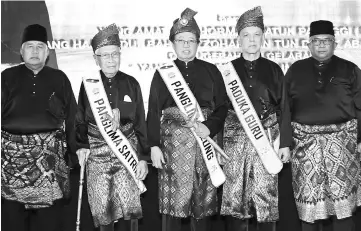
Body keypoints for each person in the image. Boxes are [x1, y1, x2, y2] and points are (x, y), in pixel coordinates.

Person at [147, 8, 229, 231]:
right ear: (172, 43)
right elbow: (153, 112)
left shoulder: (212, 71)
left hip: (204, 145)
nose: (186, 45)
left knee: (202, 205)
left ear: (198, 43)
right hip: (172, 149)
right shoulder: (163, 73)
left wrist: (208, 127)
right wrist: (153, 145)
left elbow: (223, 108)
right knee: (173, 207)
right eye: (180, 40)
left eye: (191, 40)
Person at [219, 6, 293, 231]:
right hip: (233, 143)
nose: (251, 40)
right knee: (235, 199)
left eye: (256, 35)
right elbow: (218, 111)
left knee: (265, 200)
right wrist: (218, 146)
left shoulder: (274, 70)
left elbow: (284, 109)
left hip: (266, 142)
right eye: (246, 35)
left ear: (263, 37)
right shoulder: (226, 71)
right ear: (238, 39)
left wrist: (286, 144)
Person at [285, 20, 361, 231]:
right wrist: (284, 143)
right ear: (308, 44)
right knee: (308, 208)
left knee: (343, 208)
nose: (321, 45)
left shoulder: (350, 69)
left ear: (334, 44)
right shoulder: (295, 70)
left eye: (326, 41)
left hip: (342, 147)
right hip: (304, 147)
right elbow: (285, 110)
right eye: (316, 41)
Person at [1, 24, 77, 231]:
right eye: (30, 46)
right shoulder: (6, 78)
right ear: (21, 51)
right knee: (12, 221)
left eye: (40, 46)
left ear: (48, 53)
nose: (35, 51)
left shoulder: (59, 78)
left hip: (48, 164)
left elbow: (72, 118)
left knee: (48, 223)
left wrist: (77, 149)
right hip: (11, 164)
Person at [75, 24, 149, 231]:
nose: (110, 59)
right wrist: (81, 145)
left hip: (126, 151)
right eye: (105, 55)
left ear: (120, 55)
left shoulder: (131, 83)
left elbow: (140, 122)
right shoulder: (88, 85)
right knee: (103, 212)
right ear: (95, 59)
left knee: (130, 211)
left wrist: (143, 157)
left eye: (114, 54)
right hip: (97, 154)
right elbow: (80, 118)